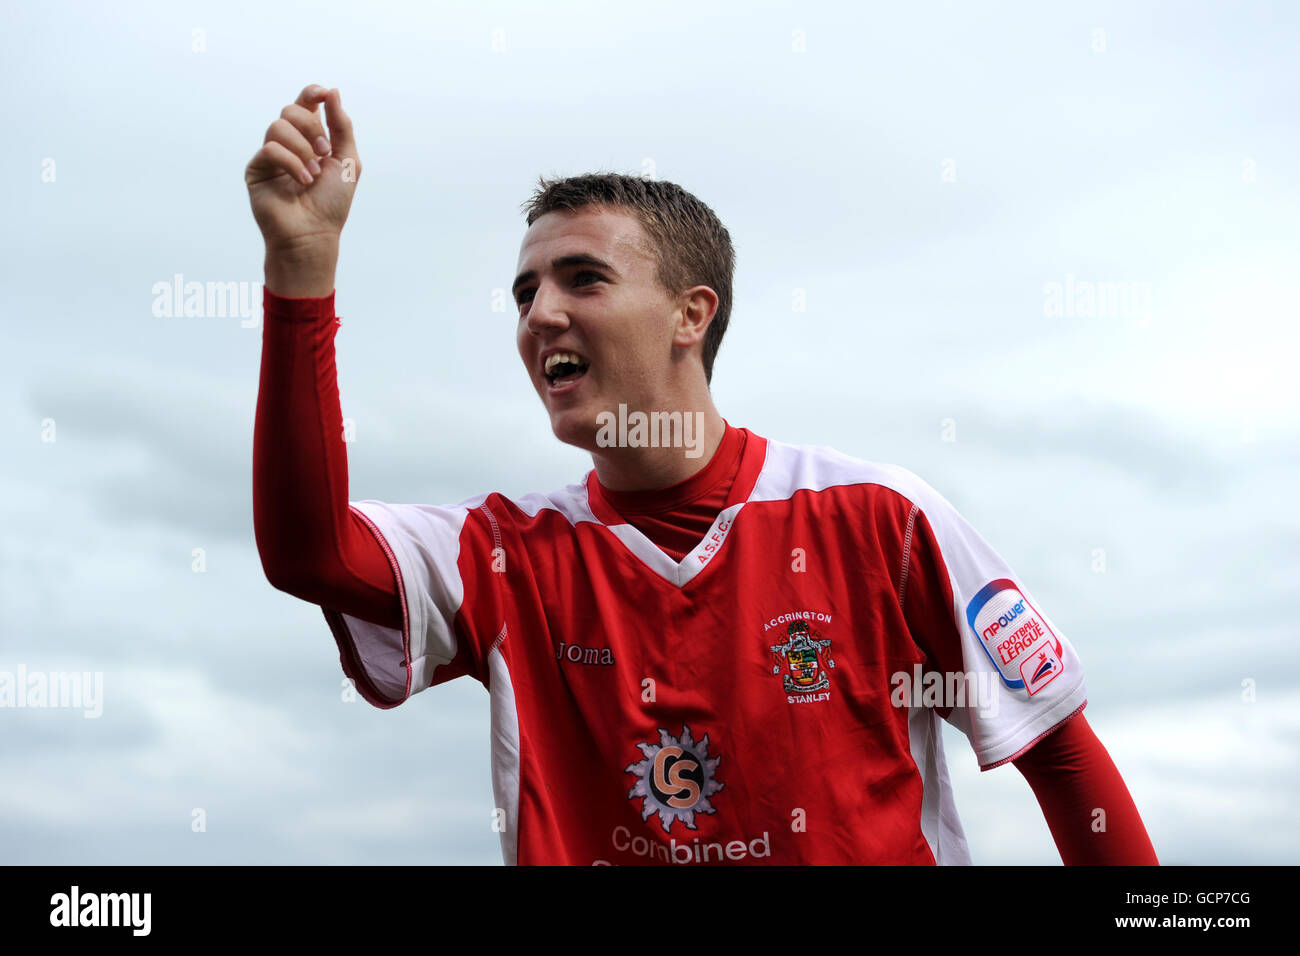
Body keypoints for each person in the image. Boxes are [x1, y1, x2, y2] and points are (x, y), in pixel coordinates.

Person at [247, 84, 1159, 866]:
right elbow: (310, 556)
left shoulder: (880, 517)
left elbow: (1061, 754)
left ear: (692, 314)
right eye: (526, 293)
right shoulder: (504, 553)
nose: (540, 314)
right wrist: (300, 270)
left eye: (582, 279)